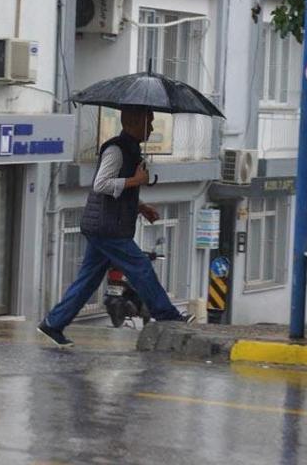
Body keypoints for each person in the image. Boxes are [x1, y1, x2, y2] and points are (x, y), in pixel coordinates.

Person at [38, 108, 194, 347]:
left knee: (88, 280)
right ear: (133, 122)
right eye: (148, 122)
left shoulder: (130, 149)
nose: (152, 128)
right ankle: (167, 315)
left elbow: (119, 191)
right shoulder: (116, 150)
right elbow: (101, 184)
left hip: (107, 223)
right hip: (107, 226)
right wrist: (136, 181)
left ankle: (53, 324)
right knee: (140, 267)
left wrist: (141, 206)